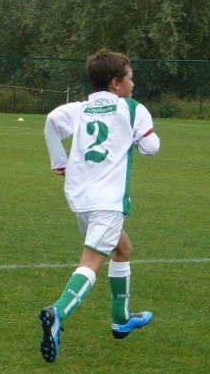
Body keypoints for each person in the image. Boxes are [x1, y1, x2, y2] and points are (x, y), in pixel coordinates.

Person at [38, 49, 160, 363]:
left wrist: (59, 162)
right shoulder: (131, 108)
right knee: (92, 260)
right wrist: (137, 135)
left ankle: (121, 319)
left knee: (122, 248)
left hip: (79, 197)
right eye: (130, 78)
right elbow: (151, 147)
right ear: (116, 82)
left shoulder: (79, 108)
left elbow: (52, 120)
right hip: (108, 199)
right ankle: (58, 312)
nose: (133, 84)